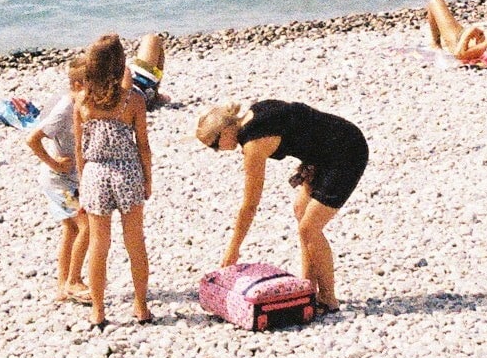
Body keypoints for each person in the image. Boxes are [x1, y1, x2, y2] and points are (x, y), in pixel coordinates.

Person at [198, 99, 368, 312]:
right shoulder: (253, 114)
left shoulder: (254, 145)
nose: (217, 150)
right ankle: (307, 289)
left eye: (214, 145)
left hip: (346, 151)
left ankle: (328, 299)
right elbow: (301, 123)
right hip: (325, 151)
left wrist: (233, 249)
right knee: (301, 211)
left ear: (225, 131)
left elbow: (250, 205)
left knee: (310, 228)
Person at [70, 36, 153, 328]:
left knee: (99, 244)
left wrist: (83, 184)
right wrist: (148, 178)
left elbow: (79, 148)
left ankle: (98, 310)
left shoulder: (82, 101)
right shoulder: (133, 100)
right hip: (127, 171)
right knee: (135, 242)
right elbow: (143, 145)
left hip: (95, 173)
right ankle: (141, 306)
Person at [24, 56, 90, 303]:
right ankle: (74, 280)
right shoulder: (65, 107)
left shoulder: (82, 104)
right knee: (86, 225)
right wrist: (54, 163)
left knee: (71, 229)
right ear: (77, 85)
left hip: (72, 179)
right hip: (59, 181)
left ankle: (62, 286)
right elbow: (32, 139)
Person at [129, 33, 169, 109]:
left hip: (124, 97)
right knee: (152, 39)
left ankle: (154, 92)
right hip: (137, 90)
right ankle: (155, 93)